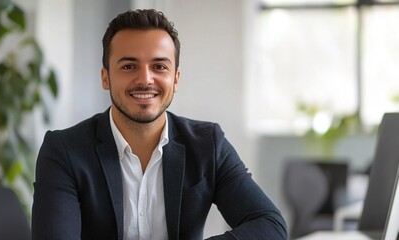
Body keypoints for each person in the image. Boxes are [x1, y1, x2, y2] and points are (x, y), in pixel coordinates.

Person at [32, 9, 287, 240]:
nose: (145, 79)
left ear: (175, 79)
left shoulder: (208, 143)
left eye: (159, 66)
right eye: (129, 66)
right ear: (105, 77)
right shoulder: (64, 150)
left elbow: (270, 225)